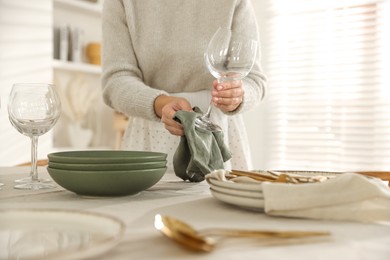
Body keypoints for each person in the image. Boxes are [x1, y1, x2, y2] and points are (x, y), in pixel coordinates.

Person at [101, 0, 267, 173]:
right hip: (149, 134)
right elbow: (116, 79)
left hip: (217, 132)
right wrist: (161, 103)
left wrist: (238, 95)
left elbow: (254, 80)